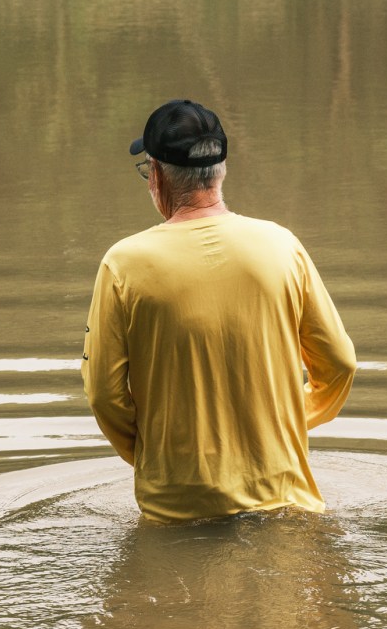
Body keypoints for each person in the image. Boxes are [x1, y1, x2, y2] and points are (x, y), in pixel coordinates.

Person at [81, 99, 357, 523]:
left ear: (155, 175)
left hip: (177, 507)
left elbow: (103, 393)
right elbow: (339, 363)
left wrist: (155, 458)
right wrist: (279, 423)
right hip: (284, 498)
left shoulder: (123, 264)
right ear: (221, 170)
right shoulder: (282, 246)